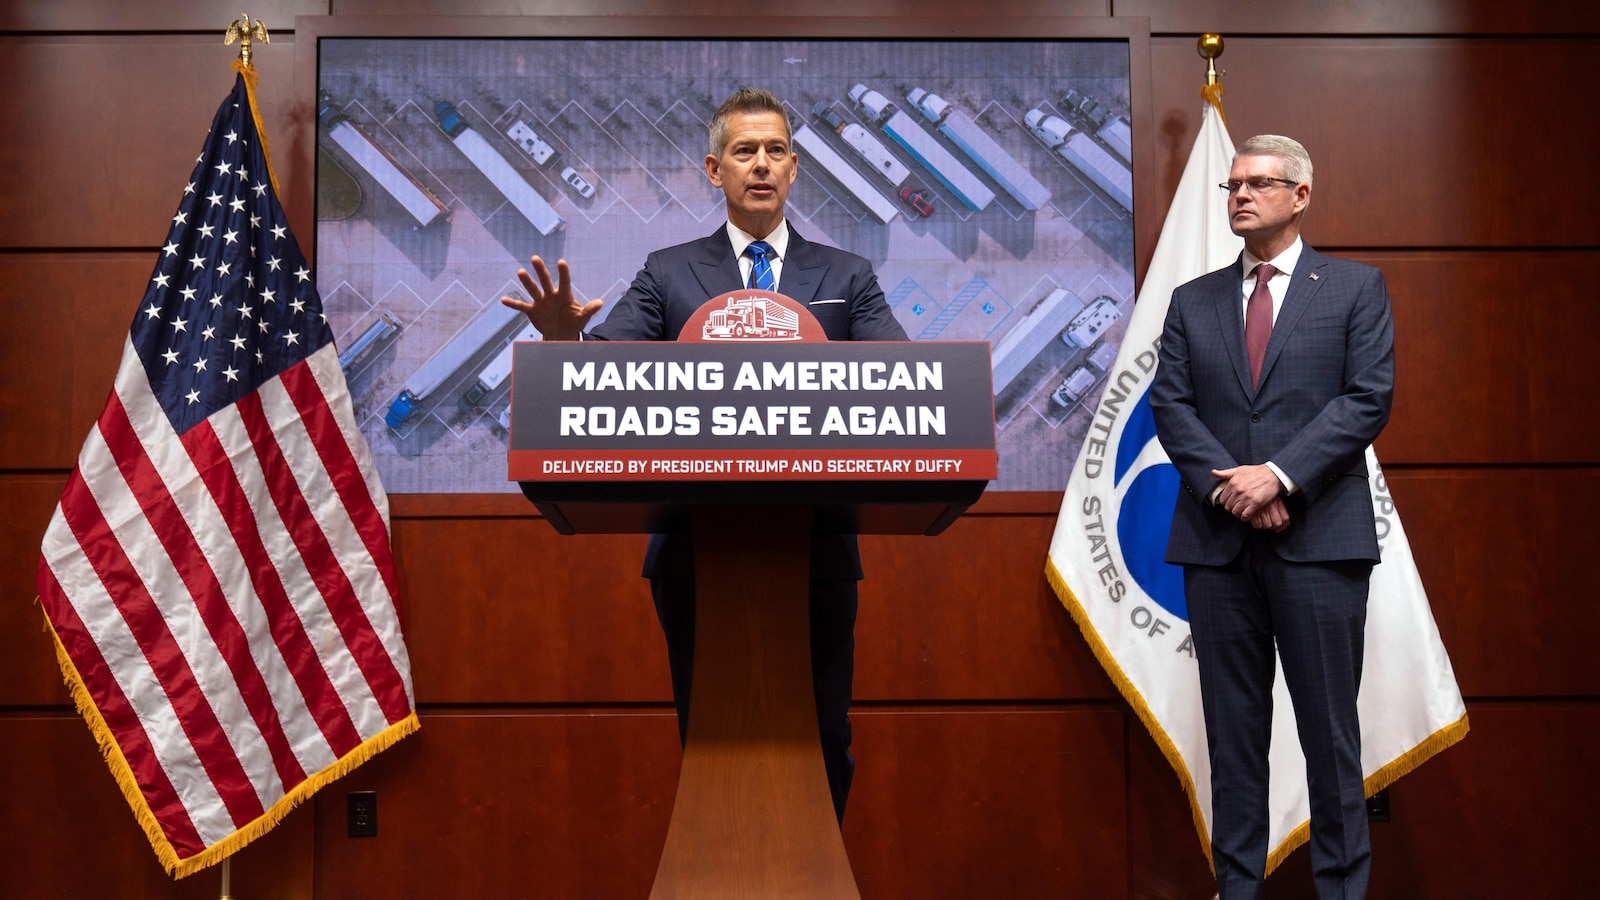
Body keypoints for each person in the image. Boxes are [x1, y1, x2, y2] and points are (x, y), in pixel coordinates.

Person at [501, 87, 907, 823]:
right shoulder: (669, 273)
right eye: (745, 151)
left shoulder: (846, 277)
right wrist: (564, 343)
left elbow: (904, 384)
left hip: (815, 551)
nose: (763, 164)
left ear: (795, 168)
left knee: (824, 737)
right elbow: (604, 377)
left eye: (776, 151)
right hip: (695, 550)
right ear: (715, 170)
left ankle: (812, 872)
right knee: (715, 740)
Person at [1148, 135, 1395, 899]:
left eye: (1259, 183)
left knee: (1330, 738)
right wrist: (1235, 490)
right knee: (1233, 739)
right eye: (1233, 186)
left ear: (1301, 195)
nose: (1242, 196)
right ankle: (1238, 888)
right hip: (1218, 546)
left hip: (1321, 543)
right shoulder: (1192, 300)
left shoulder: (1354, 288)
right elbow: (1171, 407)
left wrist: (1278, 476)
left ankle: (1341, 890)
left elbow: (1367, 398)